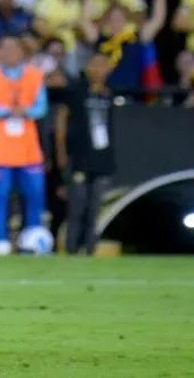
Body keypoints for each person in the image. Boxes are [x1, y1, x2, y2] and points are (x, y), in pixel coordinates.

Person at [0, 34, 49, 255]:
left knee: (34, 195)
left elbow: (41, 108)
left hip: (28, 149)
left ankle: (33, 239)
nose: (9, 53)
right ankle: (0, 240)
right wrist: (8, 111)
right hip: (0, 149)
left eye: (13, 49)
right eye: (4, 49)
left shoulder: (35, 76)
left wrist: (25, 111)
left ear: (22, 52)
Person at [55, 53, 117, 255]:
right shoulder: (76, 92)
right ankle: (72, 250)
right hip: (79, 158)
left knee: (95, 210)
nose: (99, 70)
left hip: (102, 160)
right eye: (95, 65)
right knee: (77, 208)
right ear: (88, 68)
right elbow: (61, 123)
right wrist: (61, 153)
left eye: (104, 65)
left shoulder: (109, 94)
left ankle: (90, 250)